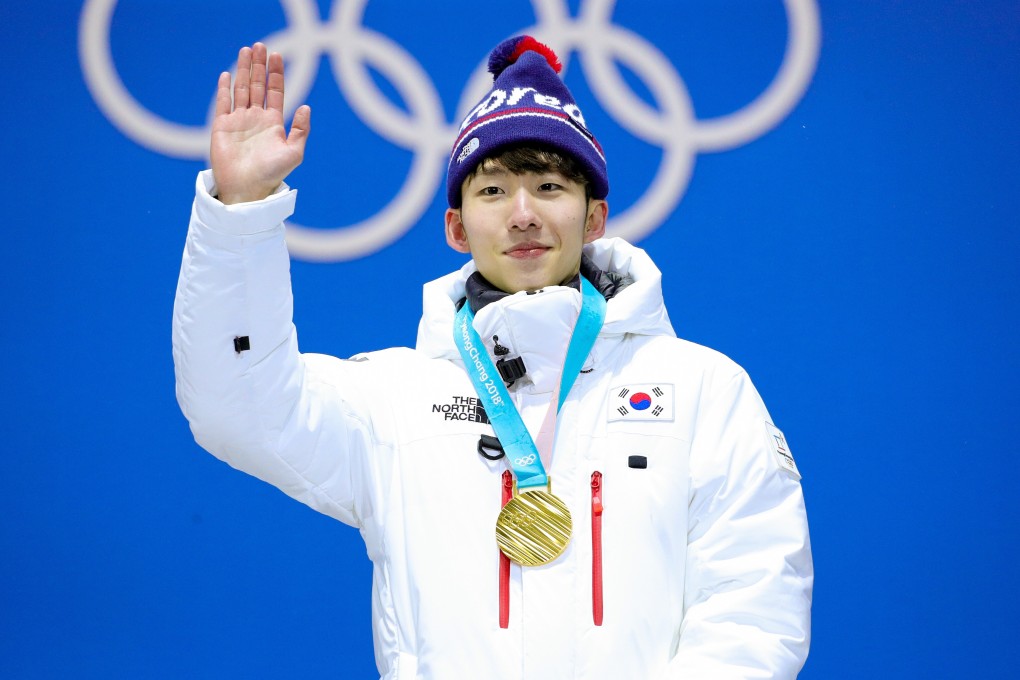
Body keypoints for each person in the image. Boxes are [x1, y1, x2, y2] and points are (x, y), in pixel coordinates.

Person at [173, 36, 812, 680]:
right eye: (494, 191)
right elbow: (238, 405)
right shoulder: (394, 401)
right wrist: (241, 217)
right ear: (457, 227)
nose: (523, 214)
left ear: (594, 217)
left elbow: (753, 610)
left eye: (549, 186)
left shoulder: (702, 389)